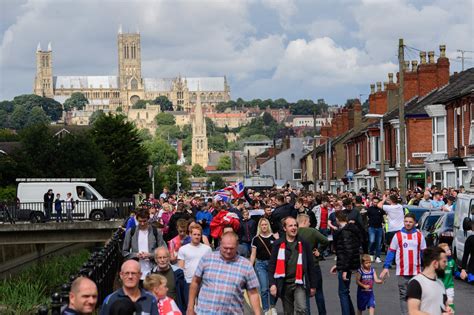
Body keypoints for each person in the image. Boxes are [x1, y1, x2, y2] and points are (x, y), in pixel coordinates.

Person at [187, 232, 261, 315]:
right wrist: (190, 307)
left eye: (231, 248)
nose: (228, 251)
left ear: (237, 246)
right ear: (220, 244)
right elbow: (195, 282)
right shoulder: (207, 259)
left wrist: (257, 313)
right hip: (205, 312)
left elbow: (253, 293)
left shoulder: (246, 265)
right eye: (225, 248)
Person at [379, 213, 426, 315]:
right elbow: (391, 251)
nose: (408, 224)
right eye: (406, 221)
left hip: (416, 272)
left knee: (416, 296)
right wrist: (386, 267)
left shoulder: (419, 236)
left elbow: (424, 253)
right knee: (404, 295)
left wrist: (427, 268)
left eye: (410, 222)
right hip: (402, 271)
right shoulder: (398, 235)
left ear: (415, 223)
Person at [268, 216, 317, 315]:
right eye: (290, 226)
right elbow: (272, 266)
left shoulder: (304, 243)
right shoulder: (278, 244)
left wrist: (313, 286)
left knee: (302, 309)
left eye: (295, 225)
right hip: (284, 284)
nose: (293, 228)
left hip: (299, 283)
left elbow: (311, 266)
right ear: (285, 228)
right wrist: (272, 284)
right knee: (288, 312)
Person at [330, 211, 361, 315]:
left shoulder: (344, 232)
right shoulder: (351, 230)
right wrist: (338, 265)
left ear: (338, 220)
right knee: (345, 292)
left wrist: (344, 269)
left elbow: (348, 252)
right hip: (348, 264)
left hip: (346, 266)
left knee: (343, 292)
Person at [297, 214, 329, 315]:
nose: (310, 223)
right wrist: (319, 250)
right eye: (309, 221)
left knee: (304, 293)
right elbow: (325, 241)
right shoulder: (312, 231)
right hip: (313, 264)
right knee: (318, 292)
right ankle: (322, 313)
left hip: (300, 265)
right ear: (305, 221)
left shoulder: (295, 232)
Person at [406, 246, 452, 315]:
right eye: (444, 261)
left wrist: (447, 309)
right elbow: (413, 312)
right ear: (435, 263)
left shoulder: (440, 283)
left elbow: (443, 305)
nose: (446, 264)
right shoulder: (416, 283)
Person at [122, 209, 165, 281]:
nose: (142, 223)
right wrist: (136, 255)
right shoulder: (131, 232)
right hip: (136, 272)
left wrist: (150, 255)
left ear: (148, 219)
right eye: (140, 221)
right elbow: (124, 252)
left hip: (153, 271)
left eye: (144, 221)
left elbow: (163, 251)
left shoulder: (156, 232)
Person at [249, 217, 277, 315]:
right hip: (260, 264)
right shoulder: (256, 239)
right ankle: (266, 309)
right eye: (262, 225)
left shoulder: (273, 237)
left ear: (268, 225)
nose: (264, 226)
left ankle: (273, 307)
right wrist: (249, 267)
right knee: (264, 288)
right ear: (259, 227)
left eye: (265, 224)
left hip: (272, 264)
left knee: (272, 287)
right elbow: (253, 254)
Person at [150, 247, 188, 313]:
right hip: (158, 311)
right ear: (156, 259)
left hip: (175, 310)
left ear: (169, 258)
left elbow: (185, 294)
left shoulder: (178, 273)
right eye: (160, 257)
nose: (162, 260)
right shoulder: (152, 274)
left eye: (164, 257)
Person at [438, 243, 459, 311]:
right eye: (447, 250)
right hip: (440, 286)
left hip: (449, 286)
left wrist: (460, 274)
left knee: (450, 302)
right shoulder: (439, 262)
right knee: (441, 303)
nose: (449, 251)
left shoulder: (452, 261)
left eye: (449, 249)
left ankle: (451, 313)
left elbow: (456, 272)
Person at [366, 196, 384, 263]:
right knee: (372, 241)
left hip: (379, 227)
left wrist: (384, 222)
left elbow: (384, 216)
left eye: (377, 202)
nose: (375, 203)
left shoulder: (381, 209)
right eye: (374, 202)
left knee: (378, 243)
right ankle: (371, 255)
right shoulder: (369, 209)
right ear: (372, 202)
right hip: (371, 227)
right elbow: (367, 217)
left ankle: (378, 257)